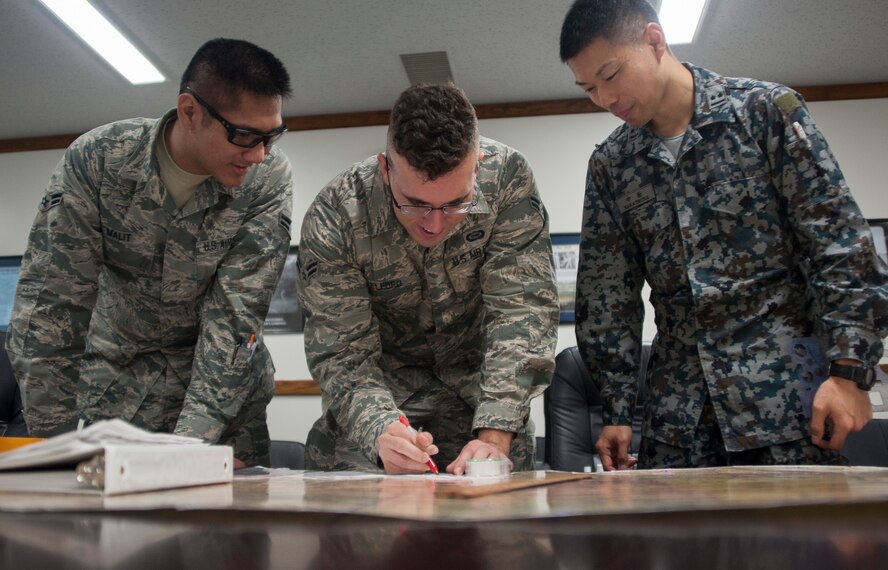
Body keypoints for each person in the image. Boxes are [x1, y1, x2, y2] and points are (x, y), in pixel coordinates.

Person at [559, 0, 888, 470]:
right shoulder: (612, 165)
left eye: (611, 75)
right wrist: (616, 407)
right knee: (683, 544)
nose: (605, 99)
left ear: (654, 41)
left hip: (786, 404)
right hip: (680, 420)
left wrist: (851, 372)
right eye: (589, 88)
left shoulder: (764, 113)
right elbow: (607, 294)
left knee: (802, 541)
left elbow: (840, 244)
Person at [5, 38, 294, 466]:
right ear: (190, 111)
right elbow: (51, 309)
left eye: (271, 136)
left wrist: (185, 453)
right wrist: (57, 449)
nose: (258, 154)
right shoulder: (100, 161)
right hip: (119, 393)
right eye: (244, 135)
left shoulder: (265, 180)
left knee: (225, 529)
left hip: (221, 404)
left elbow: (234, 319)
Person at [297, 83, 559, 475]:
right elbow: (342, 352)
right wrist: (380, 431)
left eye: (456, 204)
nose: (435, 225)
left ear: (478, 164)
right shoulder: (337, 214)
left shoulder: (507, 179)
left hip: (484, 391)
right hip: (382, 394)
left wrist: (496, 432)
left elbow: (524, 311)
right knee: (359, 518)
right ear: (386, 170)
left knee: (502, 513)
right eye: (415, 204)